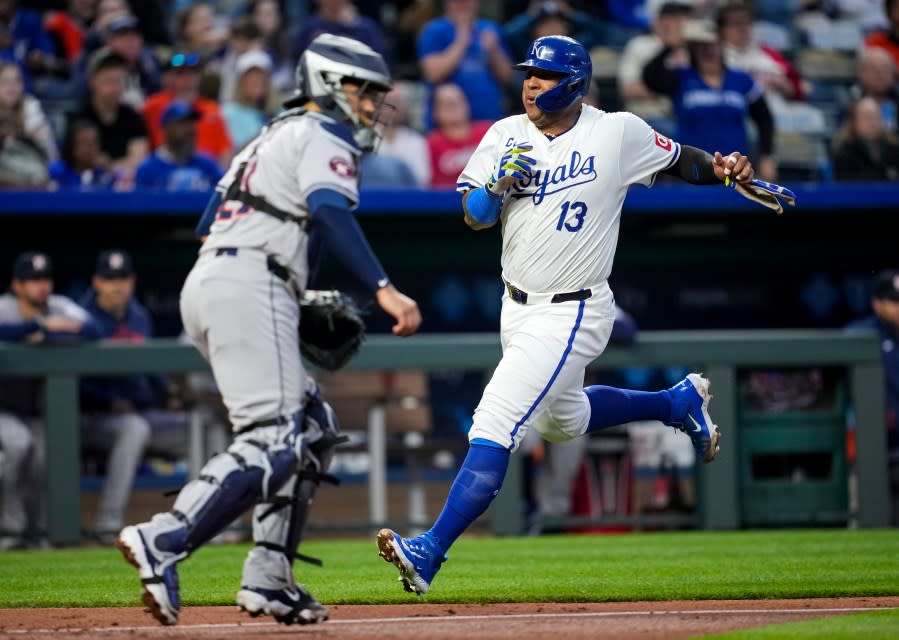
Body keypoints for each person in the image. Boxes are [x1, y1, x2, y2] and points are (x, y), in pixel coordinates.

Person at [376, 34, 755, 596]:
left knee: (496, 422)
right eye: (528, 71)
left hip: (575, 308)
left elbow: (682, 161)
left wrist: (725, 170)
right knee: (563, 421)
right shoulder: (505, 133)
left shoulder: (616, 131)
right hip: (517, 306)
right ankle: (677, 402)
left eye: (545, 75)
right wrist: (497, 181)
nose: (531, 82)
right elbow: (474, 216)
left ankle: (430, 550)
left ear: (575, 84)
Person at [116, 33, 422, 627]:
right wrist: (383, 288)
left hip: (218, 279)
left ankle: (268, 576)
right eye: (363, 92)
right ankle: (165, 537)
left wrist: (282, 288)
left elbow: (210, 227)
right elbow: (331, 213)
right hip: (249, 282)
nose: (371, 106)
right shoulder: (318, 133)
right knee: (276, 436)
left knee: (311, 426)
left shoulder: (267, 138)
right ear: (332, 84)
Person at [0, 251, 103, 550]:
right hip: (3, 408)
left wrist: (51, 330)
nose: (41, 286)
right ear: (17, 285)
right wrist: (40, 327)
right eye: (32, 280)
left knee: (47, 457)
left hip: (35, 410)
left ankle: (39, 534)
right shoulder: (5, 307)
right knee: (19, 445)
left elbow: (94, 329)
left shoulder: (59, 305)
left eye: (44, 279)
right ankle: (11, 532)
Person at [642, 17, 778, 181]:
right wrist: (671, 46)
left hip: (733, 170)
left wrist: (767, 156)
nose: (707, 50)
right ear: (692, 49)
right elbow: (650, 78)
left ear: (721, 46)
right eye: (701, 46)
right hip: (690, 172)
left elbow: (764, 119)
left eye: (712, 44)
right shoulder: (681, 78)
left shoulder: (741, 80)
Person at [845, 269, 899, 526]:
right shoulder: (859, 335)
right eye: (894, 301)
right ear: (877, 303)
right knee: (870, 517)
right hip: (874, 443)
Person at [417, 0, 514, 128]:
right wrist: (462, 39)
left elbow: (508, 78)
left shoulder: (490, 29)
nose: (463, 4)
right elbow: (433, 73)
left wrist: (494, 51)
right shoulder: (434, 30)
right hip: (448, 126)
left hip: (490, 121)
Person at [134, 101, 224, 191]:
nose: (190, 129)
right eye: (183, 123)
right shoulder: (149, 170)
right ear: (166, 128)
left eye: (192, 123)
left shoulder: (208, 165)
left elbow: (222, 197)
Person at [427, 83, 493, 189]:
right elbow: (431, 185)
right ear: (436, 112)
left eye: (458, 100)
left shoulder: (489, 131)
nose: (454, 105)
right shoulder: (432, 143)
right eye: (447, 103)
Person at [831, 96, 899, 181]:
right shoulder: (844, 153)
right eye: (867, 117)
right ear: (854, 122)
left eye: (876, 117)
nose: (872, 122)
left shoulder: (894, 149)